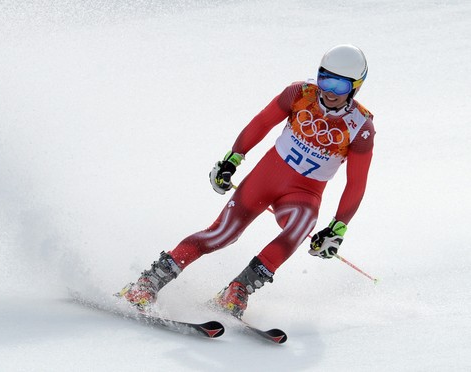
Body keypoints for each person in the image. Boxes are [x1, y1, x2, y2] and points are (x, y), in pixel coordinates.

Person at [118, 44, 375, 318]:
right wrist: (232, 159)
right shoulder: (300, 94)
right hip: (266, 178)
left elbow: (356, 184)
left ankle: (238, 289)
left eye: (340, 86)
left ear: (356, 87)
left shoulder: (360, 128)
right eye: (325, 79)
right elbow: (262, 123)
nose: (330, 91)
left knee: (300, 228)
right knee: (222, 234)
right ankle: (147, 283)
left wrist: (337, 228)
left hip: (303, 193)